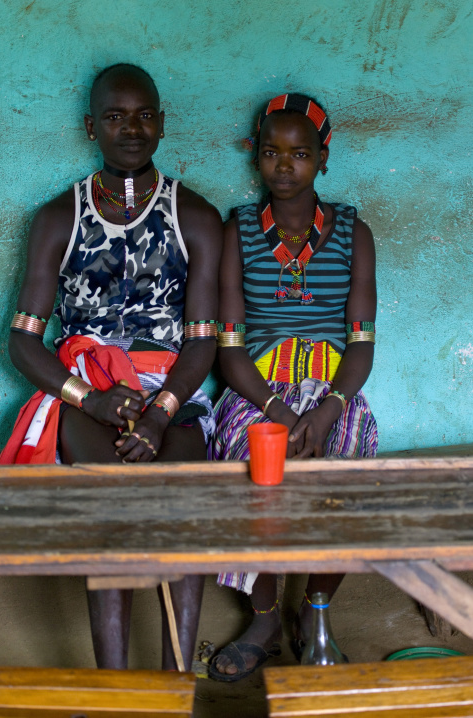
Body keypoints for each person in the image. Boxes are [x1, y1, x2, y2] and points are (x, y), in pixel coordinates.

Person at [0, 63, 222, 671]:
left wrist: (160, 413)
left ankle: (177, 684)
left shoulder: (197, 218)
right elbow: (22, 342)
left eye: (145, 115)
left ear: (163, 125)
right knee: (110, 514)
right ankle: (115, 691)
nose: (132, 128)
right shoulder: (57, 219)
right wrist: (87, 399)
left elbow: (203, 342)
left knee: (185, 515)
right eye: (116, 117)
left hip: (173, 394)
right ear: (89, 126)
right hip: (88, 393)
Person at [209, 93, 378, 681]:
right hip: (259, 389)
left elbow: (360, 345)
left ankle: (316, 608)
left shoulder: (355, 234)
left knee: (349, 472)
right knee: (248, 469)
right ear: (255, 158)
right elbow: (229, 349)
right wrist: (277, 409)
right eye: (272, 153)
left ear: (322, 159)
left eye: (300, 153)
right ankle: (263, 617)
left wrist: (332, 408)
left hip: (333, 389)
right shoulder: (239, 232)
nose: (285, 165)